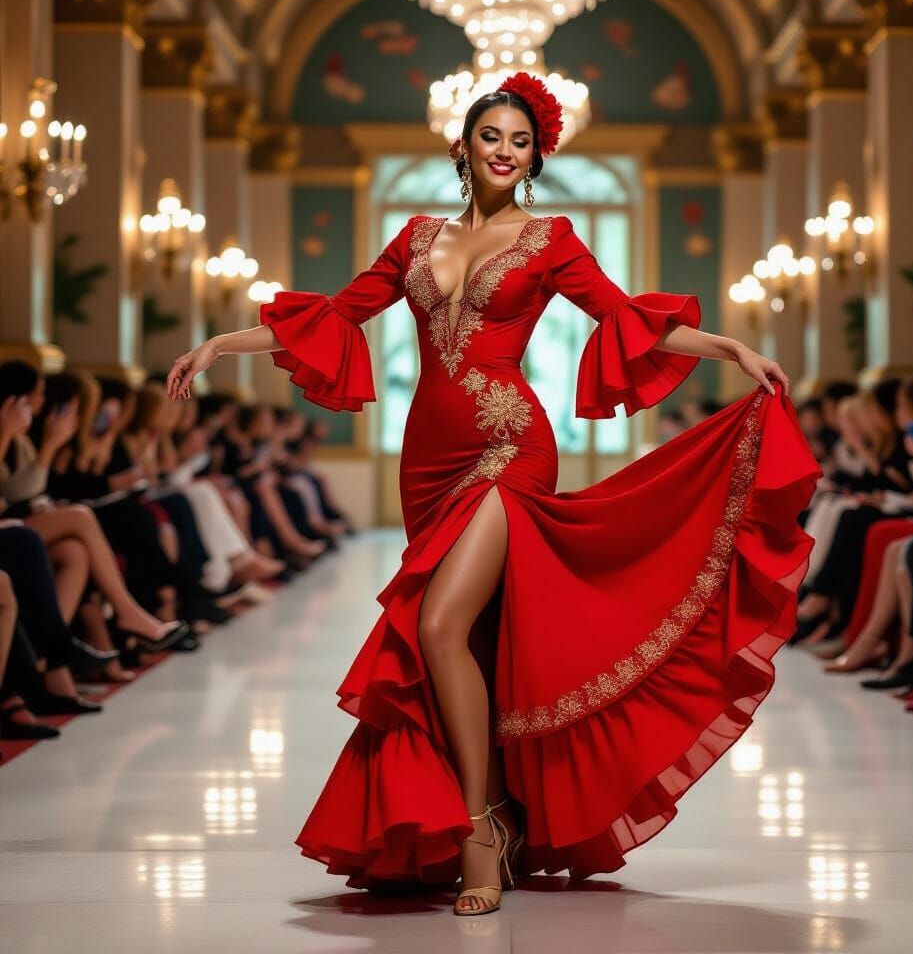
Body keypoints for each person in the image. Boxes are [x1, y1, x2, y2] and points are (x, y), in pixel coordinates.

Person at [165, 72, 820, 915]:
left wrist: (731, 349)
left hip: (511, 446)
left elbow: (622, 316)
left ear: (534, 157)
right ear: (463, 146)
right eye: (492, 137)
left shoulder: (550, 239)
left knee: (439, 624)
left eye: (521, 141)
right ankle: (500, 807)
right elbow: (337, 314)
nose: (506, 151)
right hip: (426, 461)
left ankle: (480, 828)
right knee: (468, 640)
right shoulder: (413, 237)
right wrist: (221, 344)